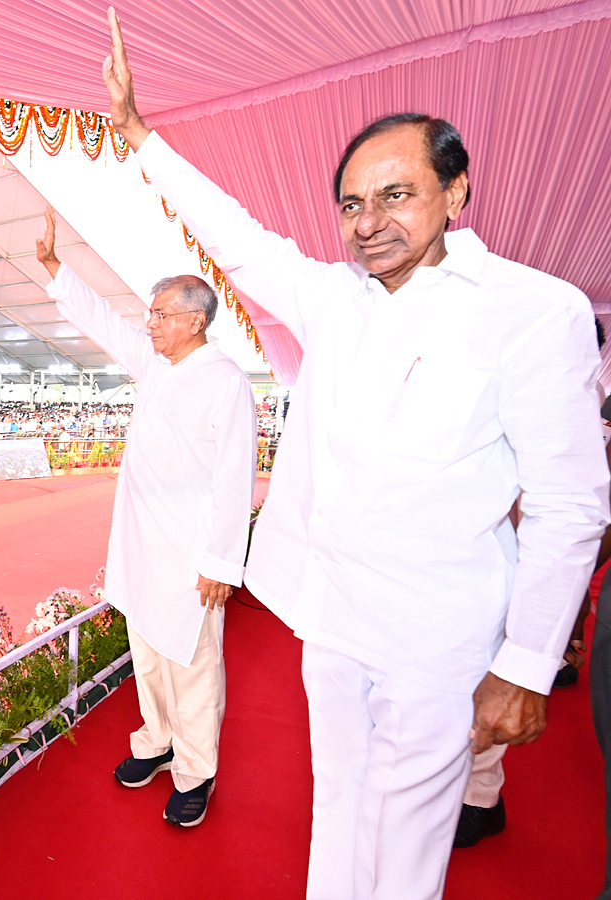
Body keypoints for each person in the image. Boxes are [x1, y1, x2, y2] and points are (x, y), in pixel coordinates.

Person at [102, 8, 608, 897]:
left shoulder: (535, 309)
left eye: (396, 194)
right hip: (331, 620)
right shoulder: (335, 299)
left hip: (440, 635)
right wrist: (142, 138)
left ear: (455, 193)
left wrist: (526, 664)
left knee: (407, 841)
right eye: (351, 203)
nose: (369, 221)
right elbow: (237, 237)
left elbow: (570, 505)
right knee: (336, 811)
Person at [37, 206, 256, 826]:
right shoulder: (157, 366)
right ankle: (155, 744)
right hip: (142, 544)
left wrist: (220, 561)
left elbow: (233, 479)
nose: (150, 324)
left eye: (160, 314)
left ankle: (196, 772)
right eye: (151, 314)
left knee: (192, 666)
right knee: (150, 656)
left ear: (194, 319)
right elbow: (103, 321)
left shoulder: (225, 382)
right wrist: (57, 269)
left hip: (191, 555)